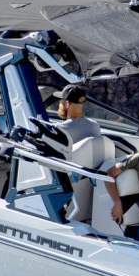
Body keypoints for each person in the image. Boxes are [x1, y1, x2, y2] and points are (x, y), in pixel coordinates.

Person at [55, 85, 106, 223]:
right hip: (90, 185)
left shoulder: (60, 129)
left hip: (69, 188)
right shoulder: (95, 126)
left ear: (66, 103)